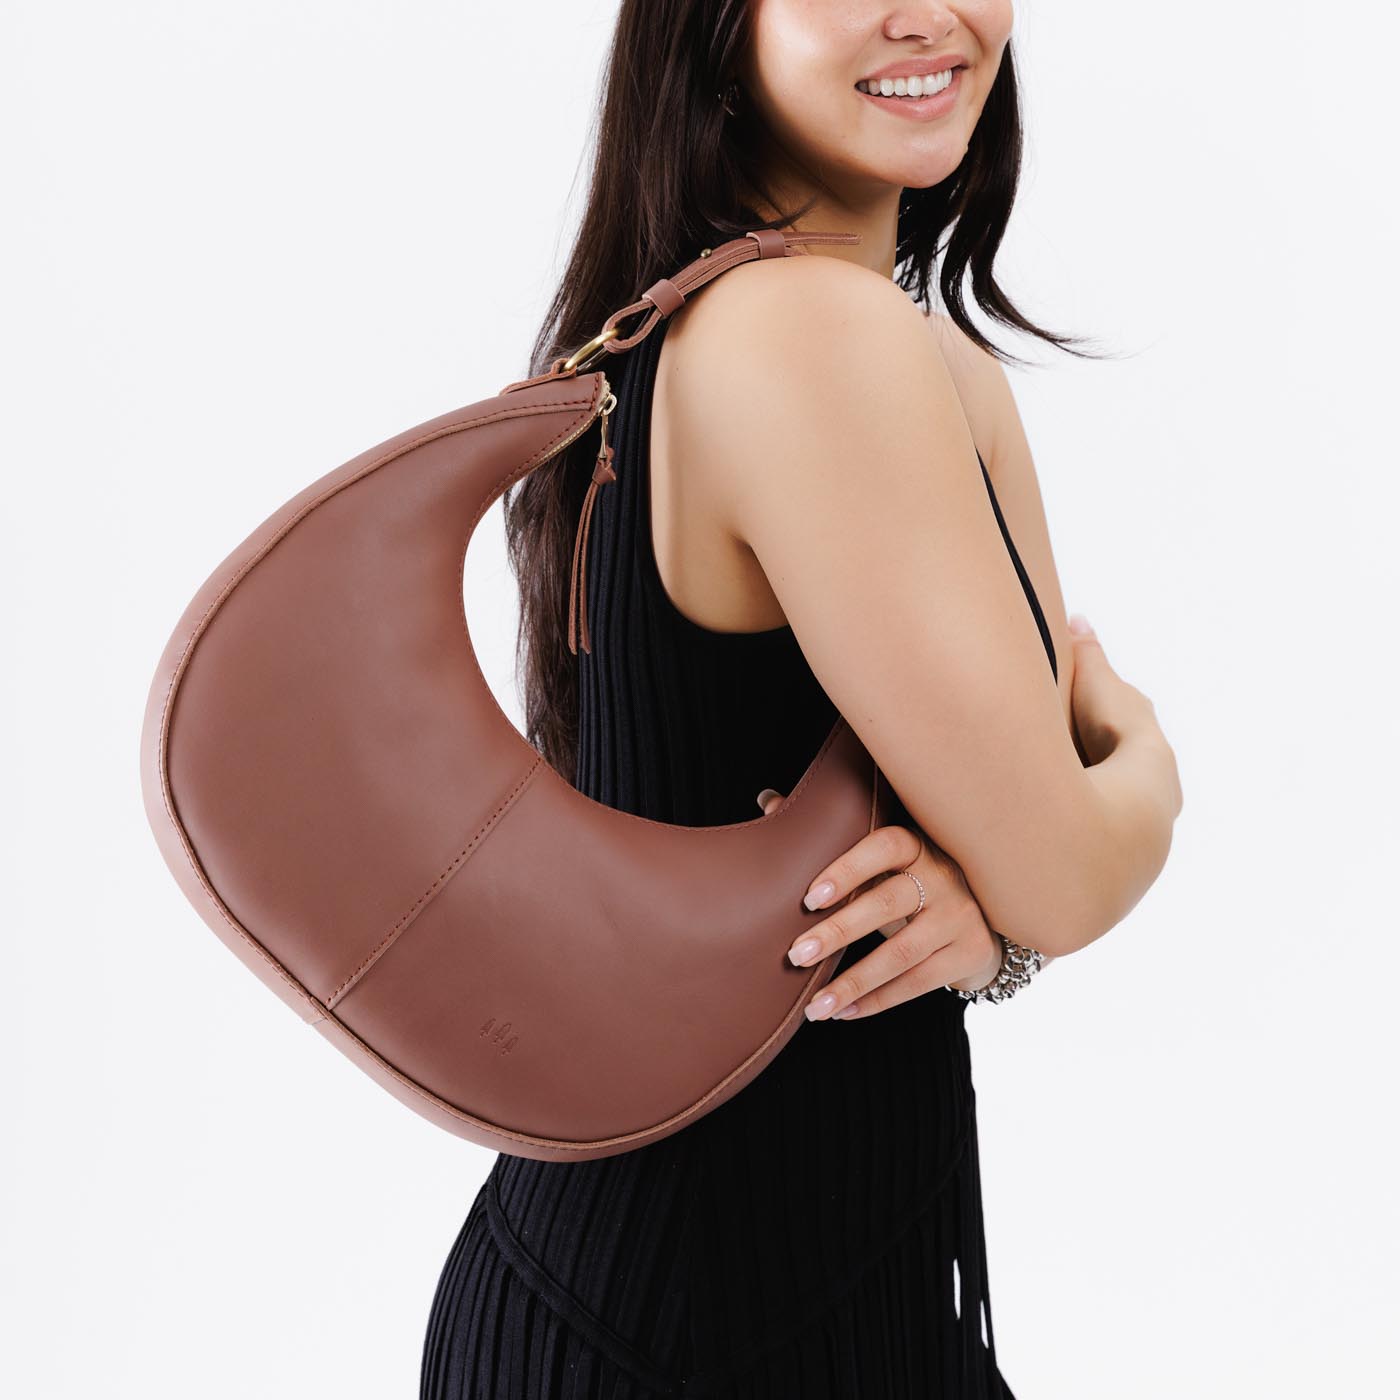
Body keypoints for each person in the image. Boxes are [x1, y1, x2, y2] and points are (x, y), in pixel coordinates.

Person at [421, 2, 1183, 1396]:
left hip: (772, 1288)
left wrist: (993, 917)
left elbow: (1012, 855)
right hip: (691, 1324)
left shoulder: (860, 345)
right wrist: (1148, 767)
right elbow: (1064, 860)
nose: (926, 12)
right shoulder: (808, 335)